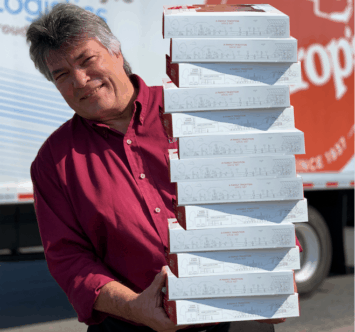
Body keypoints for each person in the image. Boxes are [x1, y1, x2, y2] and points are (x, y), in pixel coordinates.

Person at [26, 4, 294, 331]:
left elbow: (261, 195)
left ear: (116, 52)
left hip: (235, 316)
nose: (81, 81)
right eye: (62, 74)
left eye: (87, 60)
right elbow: (69, 261)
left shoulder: (197, 111)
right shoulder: (53, 163)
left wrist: (276, 263)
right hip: (131, 324)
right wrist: (134, 307)